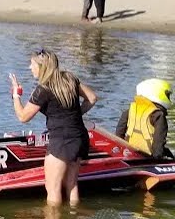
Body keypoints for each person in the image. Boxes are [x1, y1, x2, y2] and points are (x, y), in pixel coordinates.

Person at [10, 49, 99, 206]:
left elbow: (23, 117)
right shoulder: (70, 78)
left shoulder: (43, 89)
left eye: (32, 65)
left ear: (41, 67)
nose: (30, 68)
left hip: (61, 142)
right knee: (71, 185)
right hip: (79, 137)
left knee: (52, 187)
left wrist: (16, 95)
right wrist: (76, 114)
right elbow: (92, 98)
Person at [116, 78, 172, 159]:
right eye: (167, 95)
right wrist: (158, 160)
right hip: (147, 157)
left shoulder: (130, 110)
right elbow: (158, 142)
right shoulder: (158, 115)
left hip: (129, 153)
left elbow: (119, 133)